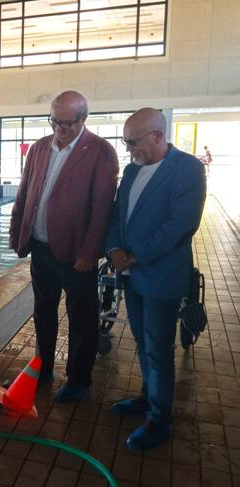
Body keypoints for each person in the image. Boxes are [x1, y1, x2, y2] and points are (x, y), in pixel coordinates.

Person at [9, 90, 119, 403]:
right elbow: (24, 193)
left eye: (66, 123)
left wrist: (89, 252)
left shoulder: (100, 152)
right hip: (41, 247)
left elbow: (102, 209)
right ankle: (42, 367)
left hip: (76, 252)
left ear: (83, 119)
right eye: (54, 121)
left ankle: (79, 380)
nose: (59, 128)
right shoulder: (39, 148)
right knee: (43, 311)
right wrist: (17, 233)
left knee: (81, 317)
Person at [106, 108, 206, 451]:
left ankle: (159, 419)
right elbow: (117, 214)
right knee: (142, 340)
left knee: (159, 347)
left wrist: (136, 256)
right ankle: (148, 396)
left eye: (133, 142)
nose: (129, 148)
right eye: (126, 142)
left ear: (158, 136)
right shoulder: (132, 170)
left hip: (161, 275)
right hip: (132, 275)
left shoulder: (188, 169)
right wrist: (113, 248)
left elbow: (181, 225)